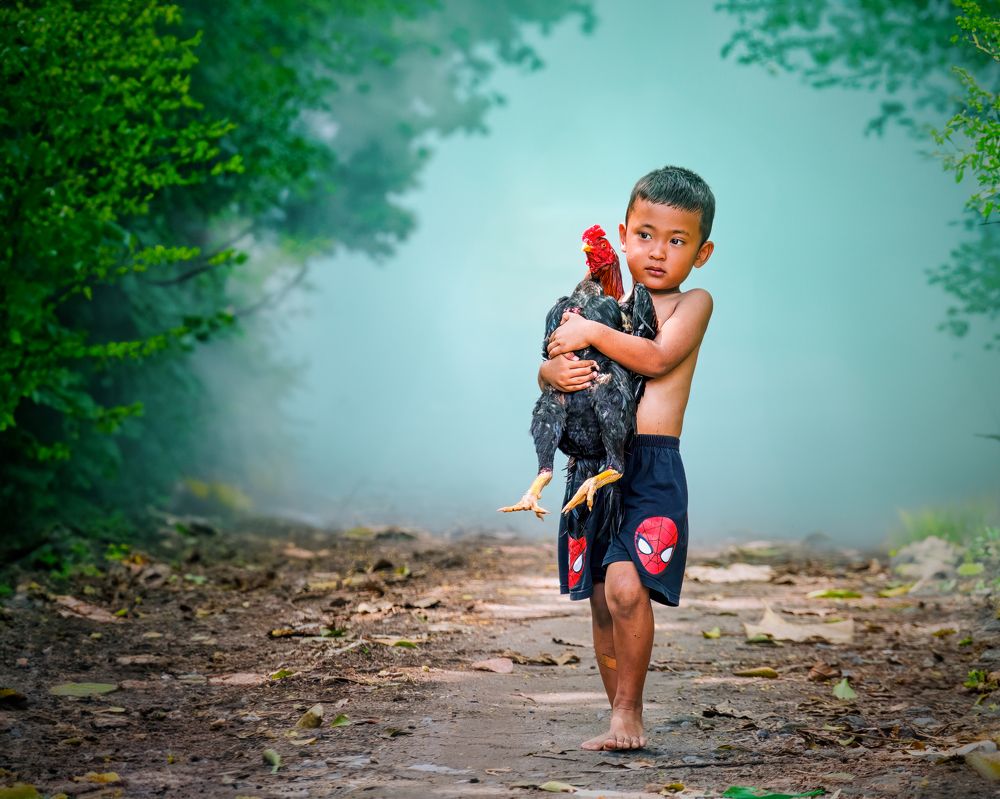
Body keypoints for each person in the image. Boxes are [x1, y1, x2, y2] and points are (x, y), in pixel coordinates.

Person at [541, 165, 716, 751]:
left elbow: (658, 358)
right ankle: (614, 710)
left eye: (677, 240)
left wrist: (590, 331)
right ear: (622, 234)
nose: (658, 252)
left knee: (625, 588)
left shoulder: (692, 303)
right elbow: (551, 364)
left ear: (703, 251)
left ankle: (628, 714)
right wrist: (553, 367)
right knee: (599, 598)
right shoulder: (600, 301)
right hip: (592, 468)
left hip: (650, 465)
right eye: (645, 235)